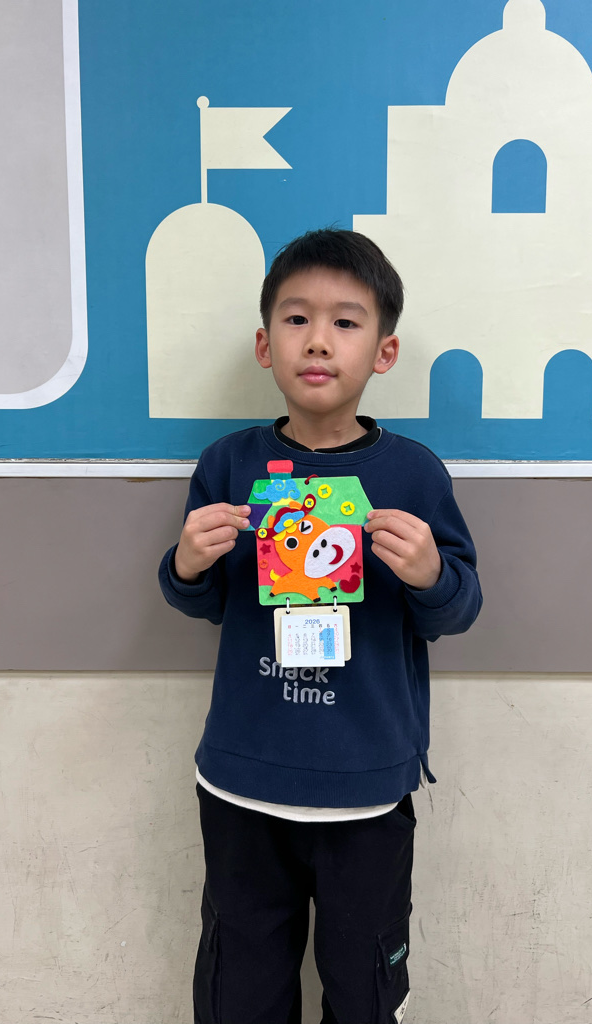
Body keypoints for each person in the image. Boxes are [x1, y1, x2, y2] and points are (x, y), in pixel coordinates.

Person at [158, 228, 482, 1024]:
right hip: (241, 780)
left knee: (365, 990)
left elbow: (458, 607)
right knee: (241, 988)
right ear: (265, 344)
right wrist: (187, 565)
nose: (318, 340)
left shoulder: (413, 473)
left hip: (365, 787)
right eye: (297, 318)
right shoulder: (229, 464)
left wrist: (431, 575)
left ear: (385, 351)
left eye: (346, 321)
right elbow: (205, 602)